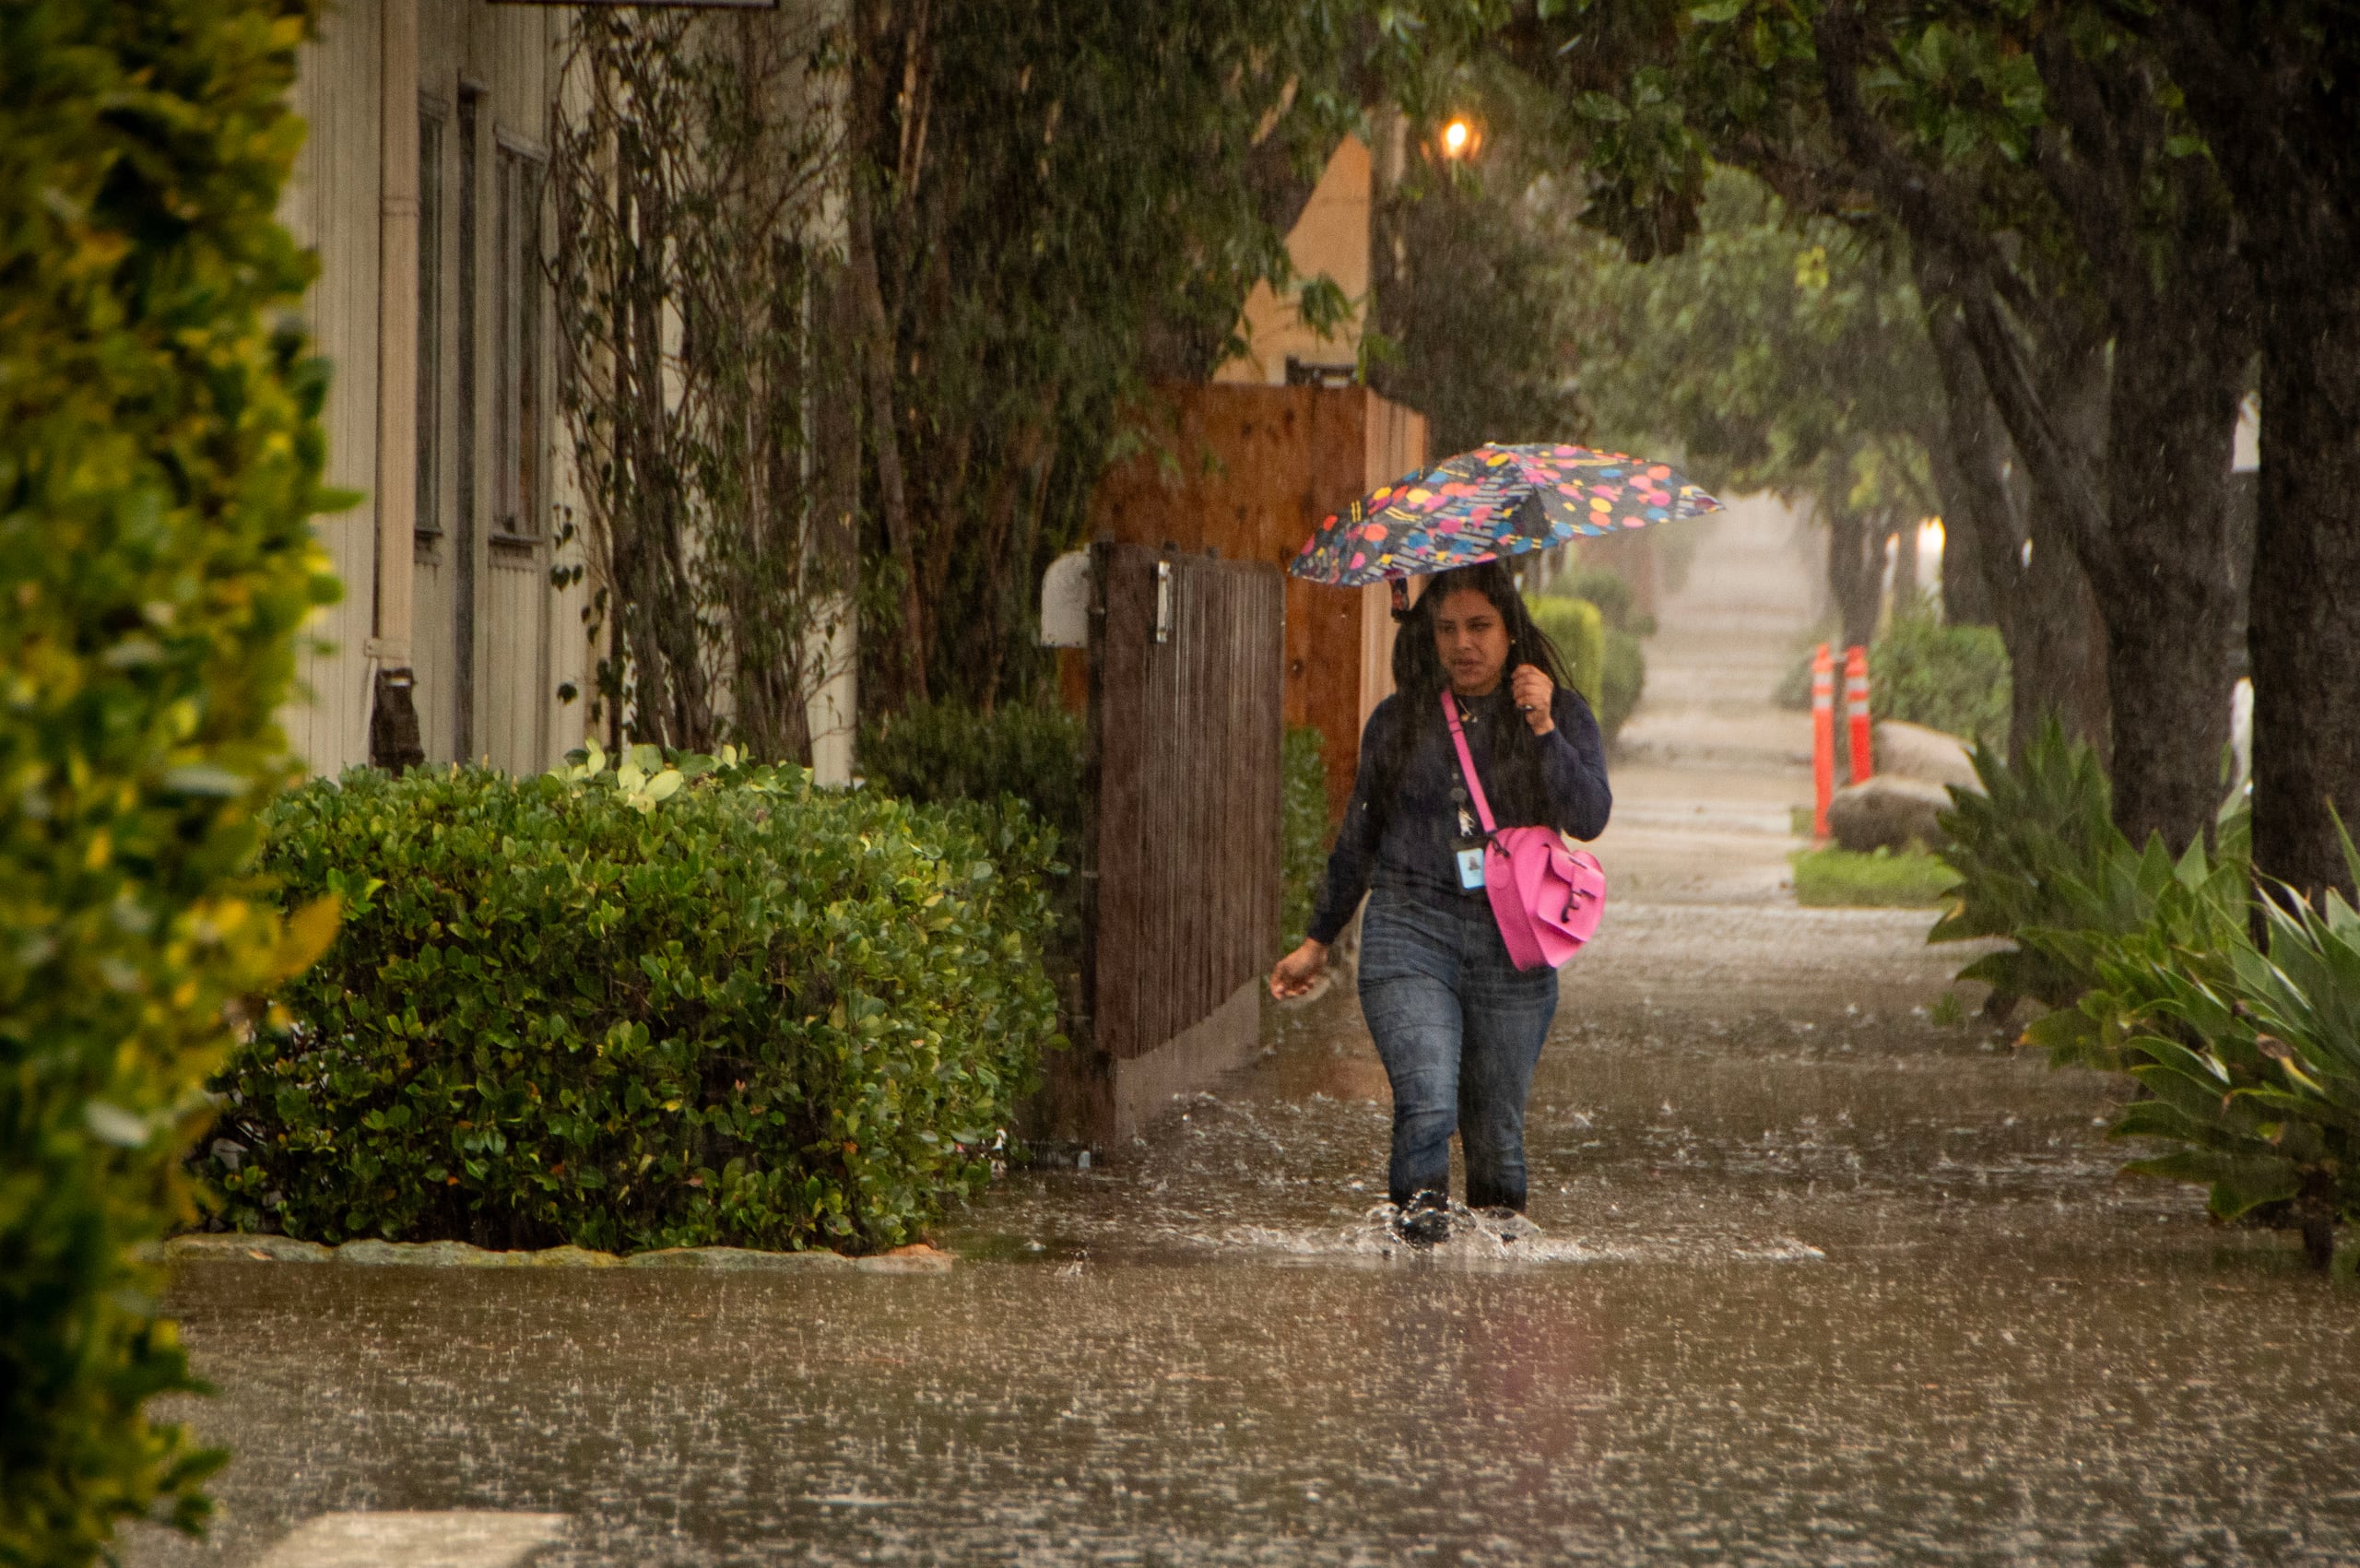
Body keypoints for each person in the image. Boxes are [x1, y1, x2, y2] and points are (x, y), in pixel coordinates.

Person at [1270, 561, 1611, 1246]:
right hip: (1409, 928)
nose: (1464, 644)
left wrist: (1543, 726)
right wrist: (1319, 937)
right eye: (1448, 628)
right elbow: (1359, 836)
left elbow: (1590, 814)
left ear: (1510, 630)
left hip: (1513, 947)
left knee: (1497, 1136)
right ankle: (1419, 1285)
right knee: (1426, 1106)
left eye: (1480, 626)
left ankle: (1494, 1300)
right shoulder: (1400, 722)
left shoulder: (1558, 711)